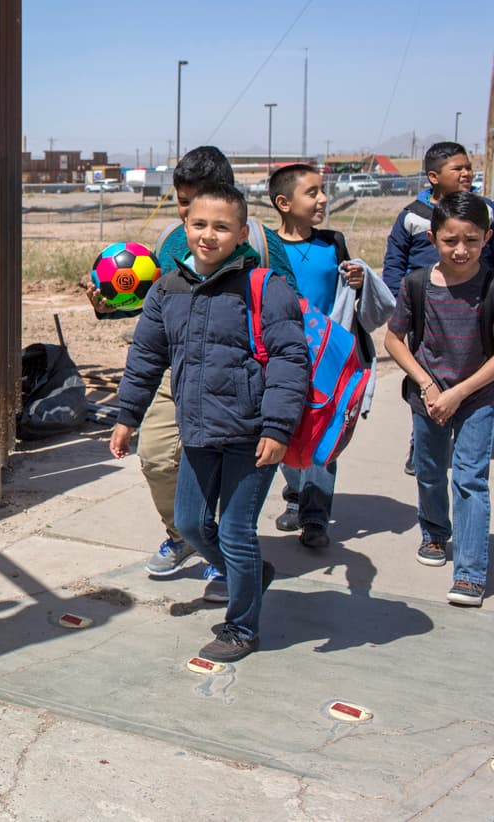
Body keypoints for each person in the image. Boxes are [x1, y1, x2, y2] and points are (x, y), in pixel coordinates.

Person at [109, 184, 308, 662]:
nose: (208, 235)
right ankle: (250, 574)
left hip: (252, 433)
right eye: (199, 224)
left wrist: (277, 428)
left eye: (222, 227)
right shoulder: (167, 289)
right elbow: (146, 357)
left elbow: (290, 360)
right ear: (185, 227)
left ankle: (241, 628)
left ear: (241, 234)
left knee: (237, 531)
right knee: (191, 524)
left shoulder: (265, 287)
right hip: (198, 430)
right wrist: (127, 416)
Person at [84, 147, 295, 589]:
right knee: (158, 457)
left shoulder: (260, 242)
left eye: (195, 201)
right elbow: (159, 307)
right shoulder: (172, 240)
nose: (190, 216)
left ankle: (230, 558)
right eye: (183, 205)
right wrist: (111, 307)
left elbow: (289, 314)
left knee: (227, 478)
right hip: (180, 371)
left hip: (239, 381)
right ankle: (187, 536)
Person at [267, 163, 388, 549]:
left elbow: (347, 291)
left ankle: (315, 517)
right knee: (284, 428)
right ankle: (296, 495)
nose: (322, 199)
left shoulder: (333, 242)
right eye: (313, 192)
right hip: (282, 355)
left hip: (327, 358)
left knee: (324, 432)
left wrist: (358, 280)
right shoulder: (265, 247)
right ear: (284, 203)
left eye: (323, 191)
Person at [384, 191, 494, 607]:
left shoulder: (491, 285)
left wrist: (459, 393)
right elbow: (395, 340)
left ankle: (469, 573)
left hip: (477, 397)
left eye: (472, 240)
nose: (461, 249)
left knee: (469, 478)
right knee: (430, 471)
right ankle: (434, 532)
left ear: (487, 238)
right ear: (433, 239)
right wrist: (428, 387)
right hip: (428, 397)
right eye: (450, 241)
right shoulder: (417, 284)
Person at [381, 142, 494, 475]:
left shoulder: (486, 210)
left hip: (476, 306)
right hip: (425, 309)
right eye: (457, 168)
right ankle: (423, 443)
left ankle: (473, 439)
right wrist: (400, 303)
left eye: (468, 167)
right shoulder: (412, 215)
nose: (466, 173)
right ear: (433, 177)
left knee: (474, 375)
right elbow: (394, 262)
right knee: (429, 378)